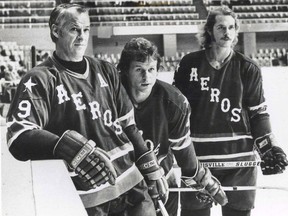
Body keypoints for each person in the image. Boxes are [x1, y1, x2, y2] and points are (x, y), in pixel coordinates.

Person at [6, 3, 168, 216]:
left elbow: (127, 125)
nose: (82, 36)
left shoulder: (106, 70)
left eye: (86, 29)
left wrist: (149, 166)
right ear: (56, 31)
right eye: (74, 29)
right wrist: (66, 145)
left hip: (133, 186)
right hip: (88, 197)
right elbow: (18, 135)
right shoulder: (40, 79)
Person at [173, 5, 288, 216]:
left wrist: (269, 146)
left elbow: (258, 113)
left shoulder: (248, 68)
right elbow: (175, 112)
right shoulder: (189, 64)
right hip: (198, 161)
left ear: (236, 31)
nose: (227, 32)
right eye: (221, 27)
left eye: (231, 27)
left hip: (240, 162)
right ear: (210, 30)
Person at [118, 37, 228, 216]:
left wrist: (201, 179)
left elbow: (183, 151)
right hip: (122, 179)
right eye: (139, 70)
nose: (147, 77)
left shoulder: (174, 102)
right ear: (125, 70)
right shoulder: (112, 95)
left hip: (162, 179)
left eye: (151, 69)